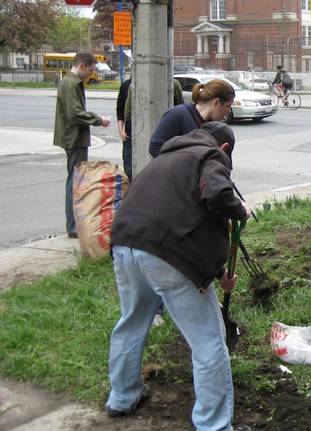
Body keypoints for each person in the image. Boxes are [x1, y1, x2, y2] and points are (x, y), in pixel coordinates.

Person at [105, 121, 252, 431]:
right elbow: (217, 193)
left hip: (125, 244)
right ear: (224, 148)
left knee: (131, 323)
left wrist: (218, 271)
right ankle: (213, 424)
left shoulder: (165, 158)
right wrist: (240, 209)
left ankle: (122, 397)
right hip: (166, 254)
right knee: (208, 342)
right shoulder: (210, 155)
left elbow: (188, 218)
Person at [53, 51, 111, 238]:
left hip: (74, 137)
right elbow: (75, 114)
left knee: (76, 180)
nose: (91, 74)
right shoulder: (71, 84)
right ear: (82, 66)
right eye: (91, 70)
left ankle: (74, 225)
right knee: (75, 182)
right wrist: (98, 119)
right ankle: (72, 227)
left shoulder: (71, 83)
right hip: (74, 138)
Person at [149, 79, 235, 157]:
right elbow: (155, 147)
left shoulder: (216, 128)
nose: (229, 111)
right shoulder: (178, 114)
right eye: (228, 106)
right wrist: (185, 165)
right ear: (216, 103)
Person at [123, 78, 186, 163]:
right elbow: (181, 109)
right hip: (164, 140)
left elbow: (128, 113)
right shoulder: (172, 84)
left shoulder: (136, 84)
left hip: (145, 137)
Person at [116, 77, 132, 180]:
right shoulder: (126, 85)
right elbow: (120, 110)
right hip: (129, 134)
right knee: (129, 169)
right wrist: (121, 131)